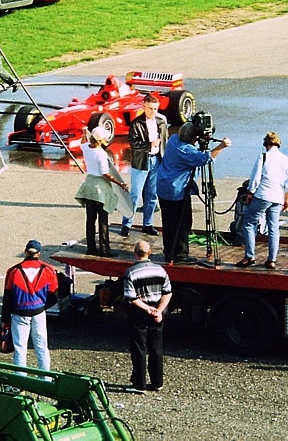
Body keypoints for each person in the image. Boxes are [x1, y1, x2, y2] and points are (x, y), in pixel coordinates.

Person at [156, 121, 230, 265]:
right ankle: (180, 255)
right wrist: (221, 146)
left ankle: (169, 252)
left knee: (169, 222)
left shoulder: (173, 140)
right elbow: (204, 159)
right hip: (176, 191)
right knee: (183, 223)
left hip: (163, 187)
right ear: (193, 138)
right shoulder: (187, 151)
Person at [236, 132, 288, 270]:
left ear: (266, 144)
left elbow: (255, 178)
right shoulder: (285, 159)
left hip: (264, 194)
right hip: (278, 197)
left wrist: (250, 192)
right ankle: (271, 260)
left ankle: (250, 255)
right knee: (273, 228)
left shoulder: (263, 156)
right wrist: (286, 199)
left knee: (249, 223)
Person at [0, 239, 58, 371]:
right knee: (42, 346)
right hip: (38, 313)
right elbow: (54, 296)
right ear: (39, 253)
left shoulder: (13, 271)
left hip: (19, 313)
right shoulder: (48, 270)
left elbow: (7, 298)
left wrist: (5, 320)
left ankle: (20, 381)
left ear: (25, 252)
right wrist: (41, 307)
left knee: (20, 348)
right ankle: (45, 378)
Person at [123, 239, 172, 392]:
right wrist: (158, 310)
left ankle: (139, 384)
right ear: (149, 252)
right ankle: (157, 382)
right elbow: (167, 292)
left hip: (139, 313)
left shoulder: (131, 272)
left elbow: (131, 297)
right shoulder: (160, 270)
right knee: (156, 348)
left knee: (139, 348)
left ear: (135, 253)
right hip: (157, 313)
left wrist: (147, 309)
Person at [74, 126, 129, 257]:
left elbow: (82, 143)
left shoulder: (87, 148)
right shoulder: (101, 154)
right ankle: (105, 249)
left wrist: (83, 133)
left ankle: (91, 248)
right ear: (99, 139)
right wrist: (120, 184)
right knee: (103, 220)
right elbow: (106, 174)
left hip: (89, 185)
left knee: (90, 219)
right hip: (100, 188)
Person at [121, 94, 168, 237]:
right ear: (144, 107)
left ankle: (148, 224)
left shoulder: (161, 122)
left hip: (156, 161)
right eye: (150, 109)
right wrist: (149, 145)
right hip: (141, 162)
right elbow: (133, 143)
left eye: (155, 109)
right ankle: (126, 224)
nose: (153, 112)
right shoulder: (136, 123)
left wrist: (165, 158)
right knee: (135, 195)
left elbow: (165, 141)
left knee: (152, 194)